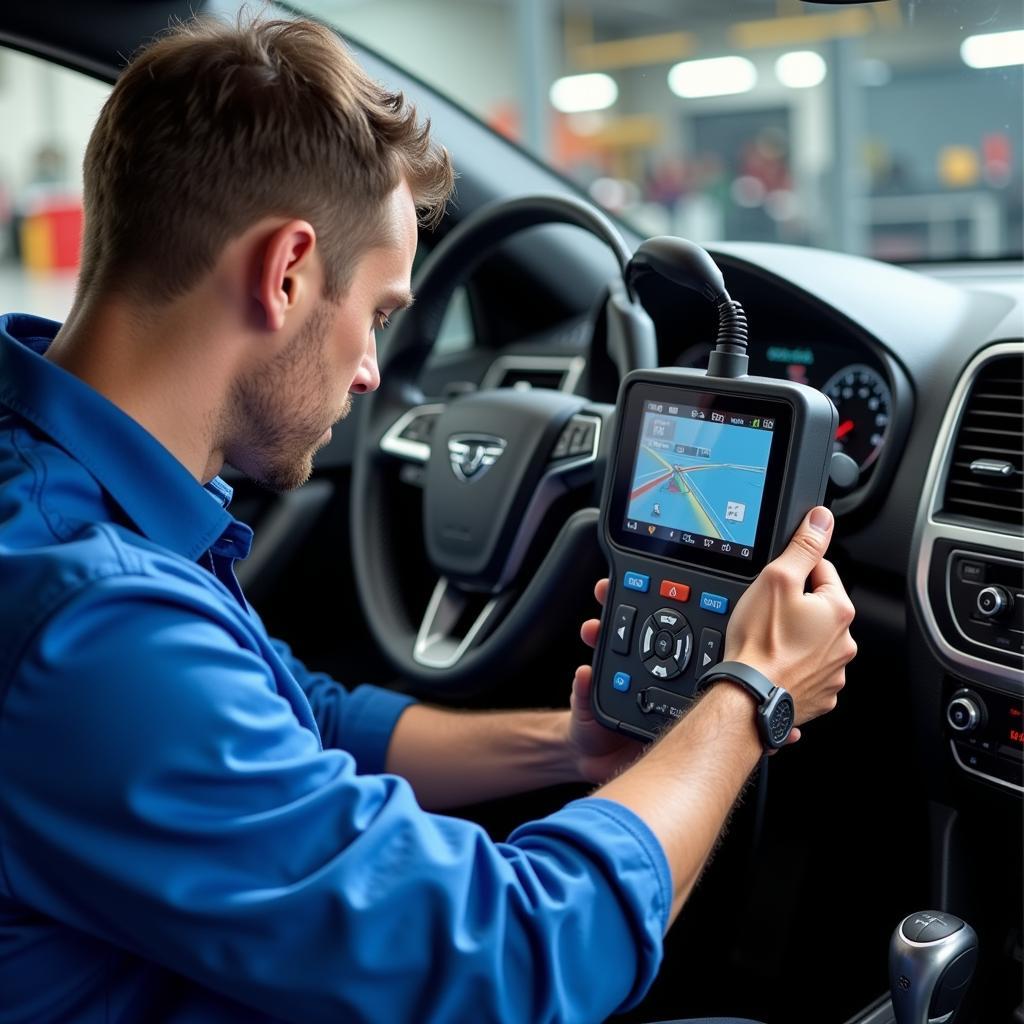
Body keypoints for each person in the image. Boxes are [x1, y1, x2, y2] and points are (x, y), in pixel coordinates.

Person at [0, 15, 856, 1024]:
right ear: (284, 271)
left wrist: (565, 747)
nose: (370, 370)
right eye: (378, 313)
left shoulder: (64, 493)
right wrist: (746, 694)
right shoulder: (92, 624)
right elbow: (516, 954)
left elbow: (300, 722)